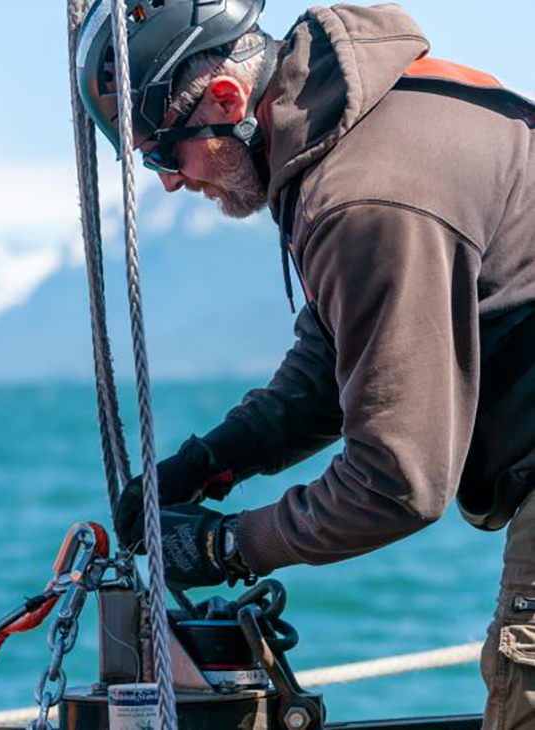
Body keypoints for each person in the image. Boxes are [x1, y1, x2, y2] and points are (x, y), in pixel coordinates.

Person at [76, 1, 535, 726]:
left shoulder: (364, 196)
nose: (167, 181)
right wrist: (209, 461)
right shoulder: (358, 121)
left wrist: (229, 545)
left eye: (164, 152)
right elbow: (329, 365)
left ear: (226, 100)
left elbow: (396, 483)